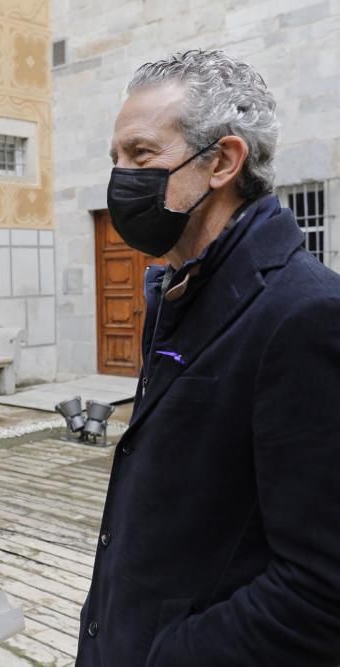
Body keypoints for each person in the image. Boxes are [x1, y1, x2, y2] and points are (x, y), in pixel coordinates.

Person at [75, 50, 340, 666]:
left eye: (141, 156)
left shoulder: (305, 317)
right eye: (115, 159)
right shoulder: (179, 291)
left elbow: (322, 587)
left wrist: (168, 656)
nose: (120, 179)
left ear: (222, 161)